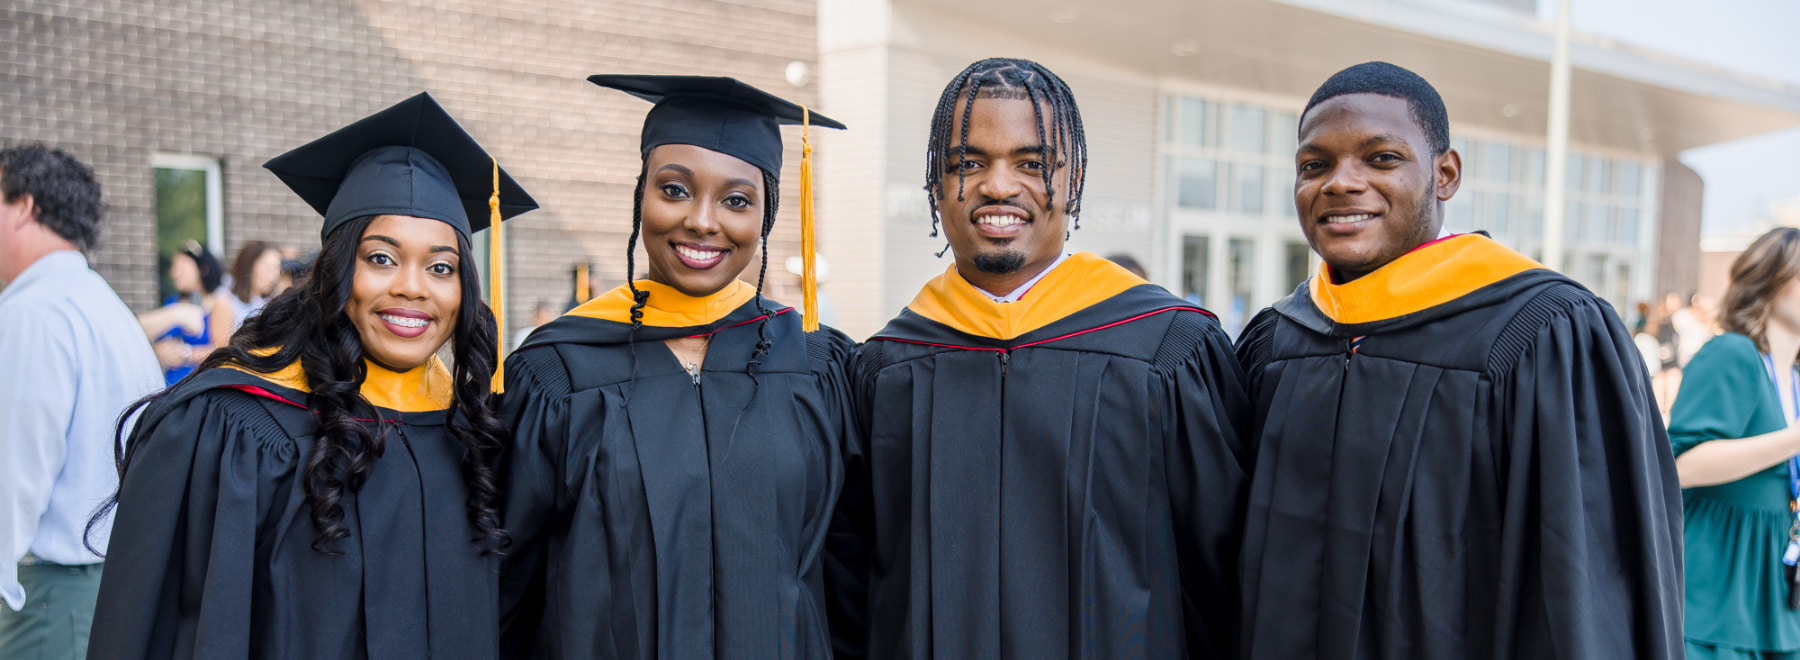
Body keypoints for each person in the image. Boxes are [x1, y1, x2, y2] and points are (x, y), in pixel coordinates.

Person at [1233, 61, 1681, 658]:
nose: (1341, 182)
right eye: (1314, 165)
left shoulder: (1545, 333)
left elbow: (1585, 587)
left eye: (1381, 158)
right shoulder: (1275, 341)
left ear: (1445, 175)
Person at [86, 92, 538, 659]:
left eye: (441, 266)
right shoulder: (235, 427)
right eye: (380, 258)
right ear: (334, 269)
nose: (413, 286)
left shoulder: (470, 433)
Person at [826, 58, 1251, 659]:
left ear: (1073, 180)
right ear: (935, 185)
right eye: (967, 163)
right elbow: (852, 579)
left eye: (1031, 163)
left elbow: (1220, 575)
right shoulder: (886, 368)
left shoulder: (1167, 349)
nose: (999, 186)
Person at [498, 75, 852, 659]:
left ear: (767, 217)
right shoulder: (556, 372)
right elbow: (509, 583)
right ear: (641, 196)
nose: (703, 222)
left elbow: (849, 565)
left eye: (737, 201)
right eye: (675, 190)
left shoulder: (816, 363)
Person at [0, 144, 162, 660]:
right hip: (104, 584)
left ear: (23, 206)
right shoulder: (101, 303)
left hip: (43, 596)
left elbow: (14, 469)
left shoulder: (33, 311)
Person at [1669, 228, 1800, 660]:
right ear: (1772, 278)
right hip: (1718, 590)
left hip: (1777, 594)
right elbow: (1683, 465)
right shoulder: (1732, 353)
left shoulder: (1795, 381)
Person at [136, 241, 233, 384]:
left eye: (181, 267)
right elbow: (157, 342)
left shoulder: (219, 303)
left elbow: (223, 350)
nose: (174, 273)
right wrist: (158, 352)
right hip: (170, 385)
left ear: (202, 269)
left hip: (202, 385)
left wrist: (186, 354)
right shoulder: (172, 303)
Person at [224, 240, 283, 328]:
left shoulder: (266, 304)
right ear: (249, 266)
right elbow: (222, 341)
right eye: (267, 267)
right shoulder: (226, 304)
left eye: (277, 268)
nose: (274, 275)